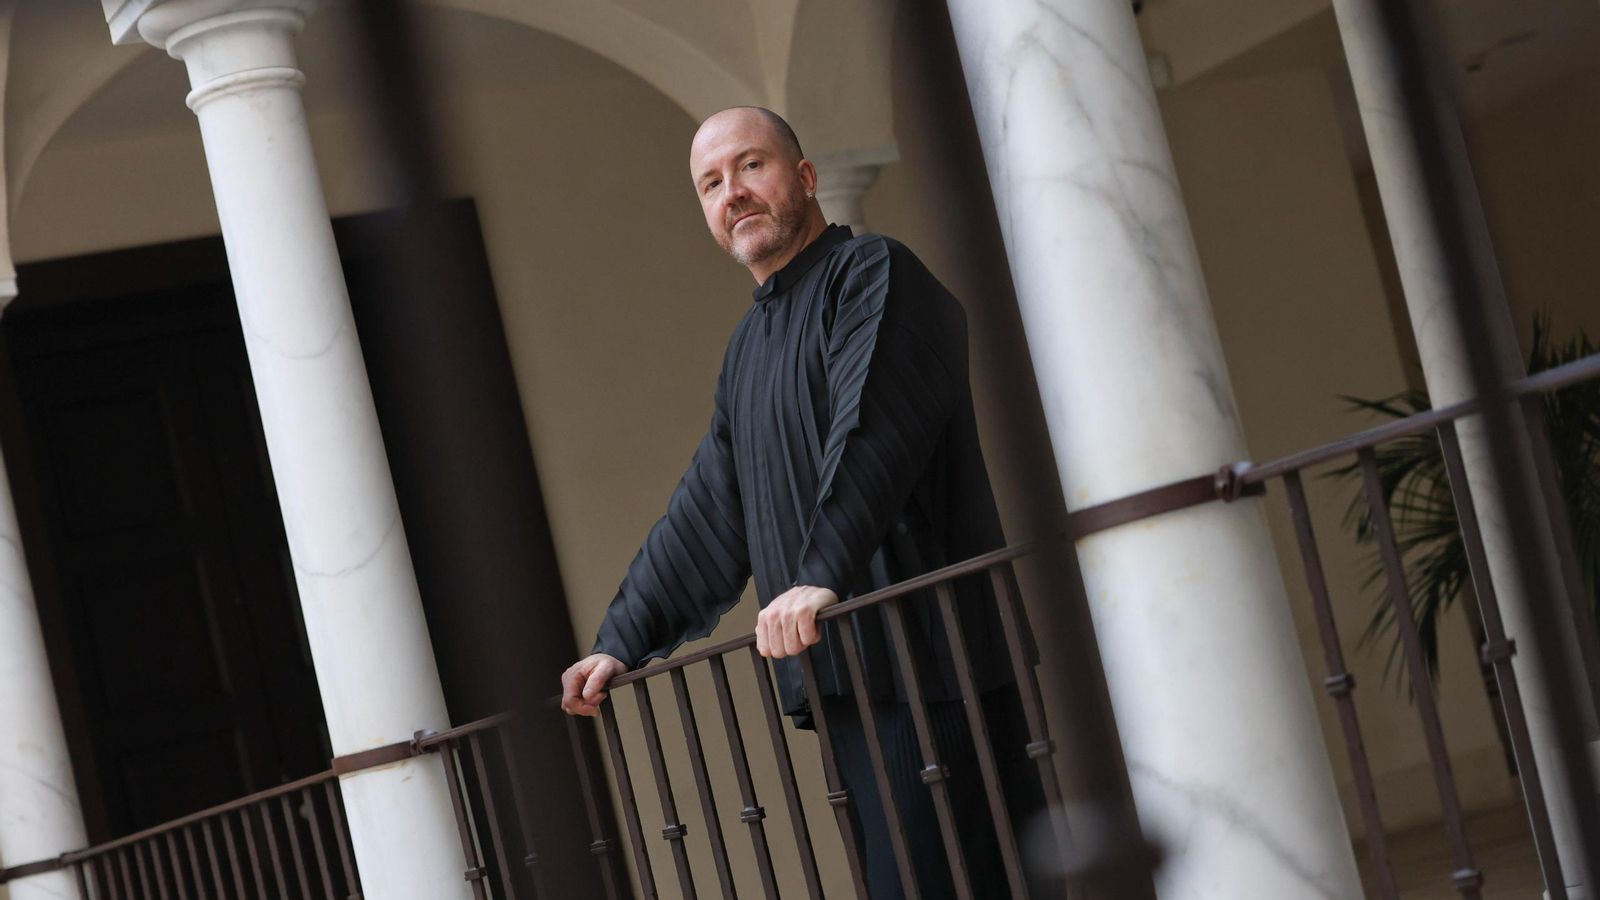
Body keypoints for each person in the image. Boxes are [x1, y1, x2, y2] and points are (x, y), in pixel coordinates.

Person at [560, 106, 1040, 900]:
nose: (733, 193)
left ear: (807, 178)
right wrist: (623, 641)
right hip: (847, 675)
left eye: (751, 166)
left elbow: (876, 425)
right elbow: (712, 506)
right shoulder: (748, 349)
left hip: (937, 661)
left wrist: (819, 575)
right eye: (711, 183)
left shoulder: (876, 274)